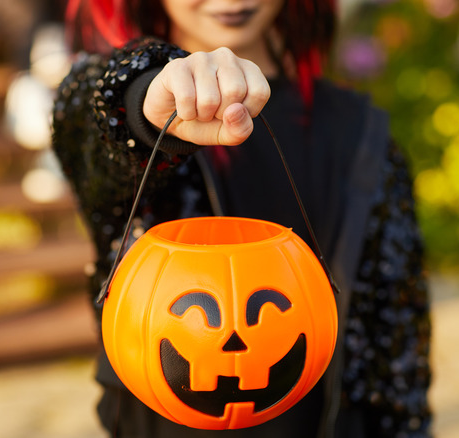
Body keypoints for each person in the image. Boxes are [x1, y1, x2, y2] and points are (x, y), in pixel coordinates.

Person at [50, 0, 432, 436]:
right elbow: (91, 112)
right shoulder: (120, 105)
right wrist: (144, 98)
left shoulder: (362, 135)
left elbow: (398, 353)